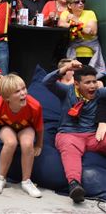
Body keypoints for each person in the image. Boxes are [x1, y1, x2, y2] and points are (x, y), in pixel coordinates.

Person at [43, 62, 106, 203]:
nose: (92, 86)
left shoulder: (99, 92)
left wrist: (104, 123)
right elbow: (46, 81)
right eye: (88, 82)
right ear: (77, 84)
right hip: (69, 134)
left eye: (94, 82)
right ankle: (74, 184)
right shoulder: (67, 91)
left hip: (92, 135)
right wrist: (66, 68)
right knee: (70, 149)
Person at [0, 74, 43, 198]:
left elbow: (39, 128)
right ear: (6, 97)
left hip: (26, 127)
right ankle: (1, 177)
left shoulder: (35, 106)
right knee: (10, 143)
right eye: (17, 91)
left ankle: (26, 181)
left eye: (24, 88)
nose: (23, 93)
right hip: (6, 126)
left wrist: (38, 145)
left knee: (27, 143)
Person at [58, 0, 104, 74]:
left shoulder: (89, 13)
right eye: (77, 2)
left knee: (89, 77)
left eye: (82, 1)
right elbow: (61, 24)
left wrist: (76, 21)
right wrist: (82, 28)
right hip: (73, 52)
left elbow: (92, 32)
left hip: (89, 53)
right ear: (69, 5)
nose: (81, 3)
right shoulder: (65, 13)